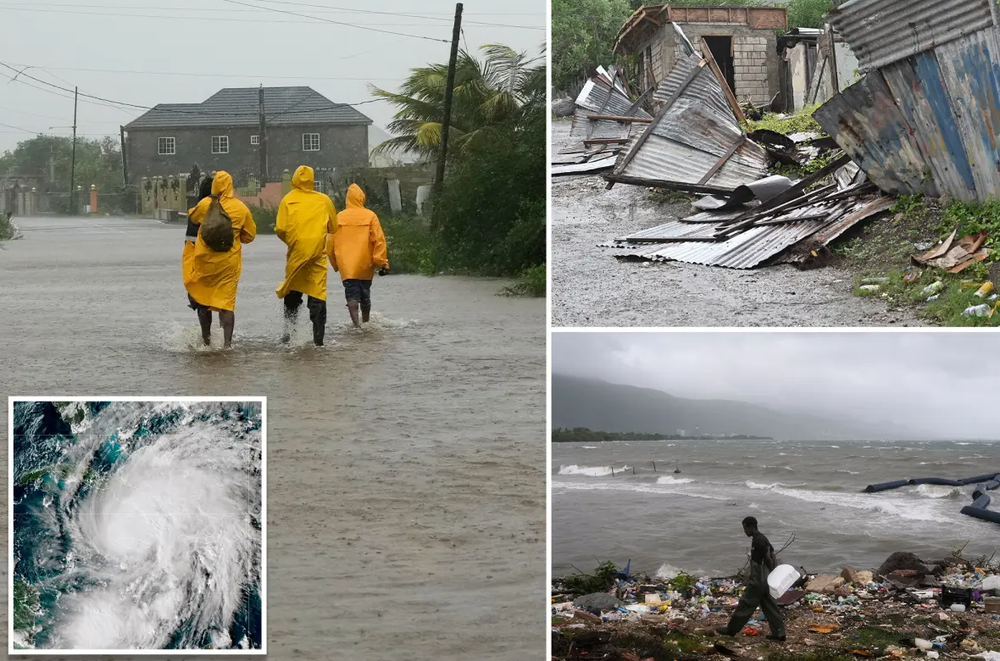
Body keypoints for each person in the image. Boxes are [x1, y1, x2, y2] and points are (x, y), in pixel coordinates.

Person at [185, 171, 257, 349]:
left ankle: (206, 341)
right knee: (227, 304)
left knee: (203, 300)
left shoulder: (205, 204)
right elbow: (250, 236)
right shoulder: (241, 208)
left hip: (205, 262)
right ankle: (227, 345)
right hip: (229, 264)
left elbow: (193, 217)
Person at [274, 165, 338, 346]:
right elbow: (333, 227)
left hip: (296, 252)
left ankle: (288, 336)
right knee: (318, 293)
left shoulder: (287, 200)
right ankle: (318, 341)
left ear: (294, 179)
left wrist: (294, 241)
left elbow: (280, 229)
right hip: (318, 254)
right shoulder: (324, 200)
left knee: (292, 290)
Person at [715, 516, 786, 642]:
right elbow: (772, 553)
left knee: (745, 604)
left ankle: (731, 630)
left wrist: (771, 571)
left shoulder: (758, 540)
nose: (744, 531)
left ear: (751, 526)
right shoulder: (763, 538)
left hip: (759, 579)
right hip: (766, 579)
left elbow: (767, 557)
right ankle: (780, 633)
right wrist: (773, 573)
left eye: (745, 528)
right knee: (770, 606)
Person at [327, 183, 389, 327]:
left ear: (347, 199)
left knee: (351, 294)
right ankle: (366, 322)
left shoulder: (339, 217)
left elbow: (329, 245)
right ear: (362, 198)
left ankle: (356, 325)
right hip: (365, 263)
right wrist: (381, 262)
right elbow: (379, 240)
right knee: (365, 294)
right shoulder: (370, 216)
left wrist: (336, 265)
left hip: (346, 265)